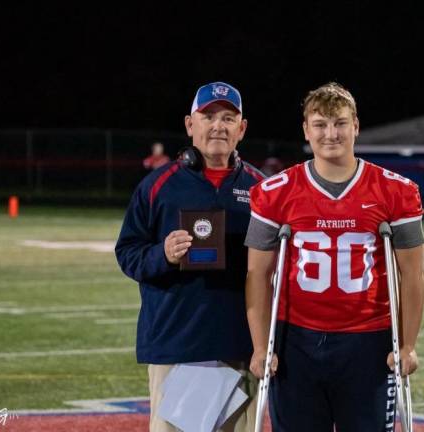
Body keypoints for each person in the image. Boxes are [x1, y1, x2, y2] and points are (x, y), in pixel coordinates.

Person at [245, 82, 424, 431]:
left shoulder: (396, 191)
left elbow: (412, 274)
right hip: (295, 340)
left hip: (369, 341)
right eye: (321, 124)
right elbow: (258, 275)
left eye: (340, 123)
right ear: (306, 130)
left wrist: (407, 345)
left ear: (355, 126)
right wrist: (258, 347)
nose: (331, 134)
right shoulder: (274, 193)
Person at [115, 81, 265, 432]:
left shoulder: (263, 189)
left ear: (241, 129)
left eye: (228, 118)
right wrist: (163, 255)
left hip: (239, 347)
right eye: (208, 116)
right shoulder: (157, 185)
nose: (218, 126)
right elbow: (127, 253)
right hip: (176, 345)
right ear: (189, 124)